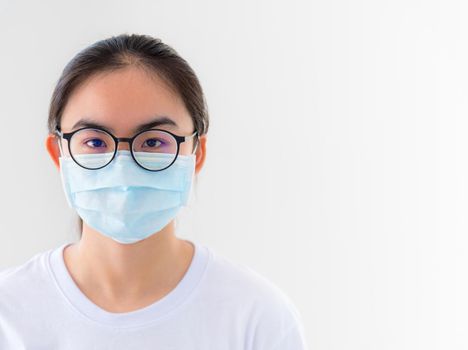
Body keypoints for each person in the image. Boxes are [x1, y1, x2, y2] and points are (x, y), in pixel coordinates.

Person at [0, 33, 308, 349]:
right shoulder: (8, 314)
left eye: (153, 142)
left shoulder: (257, 318)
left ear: (196, 154)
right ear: (59, 154)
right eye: (95, 142)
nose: (121, 165)